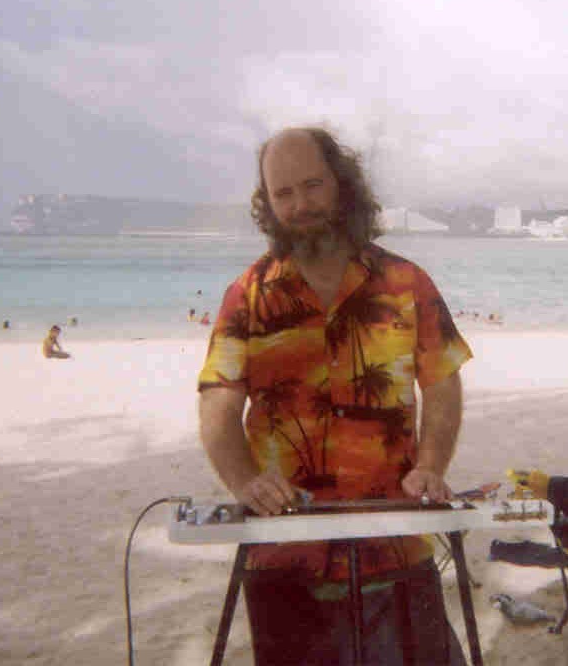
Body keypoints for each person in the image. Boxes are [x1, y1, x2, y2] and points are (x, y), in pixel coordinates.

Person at [197, 127, 472, 665]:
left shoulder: (407, 283)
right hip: (285, 559)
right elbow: (218, 405)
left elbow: (442, 383)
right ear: (268, 205)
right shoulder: (247, 296)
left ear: (342, 186)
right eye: (283, 194)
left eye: (312, 185)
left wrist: (433, 465)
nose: (300, 205)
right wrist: (245, 482)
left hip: (397, 544)